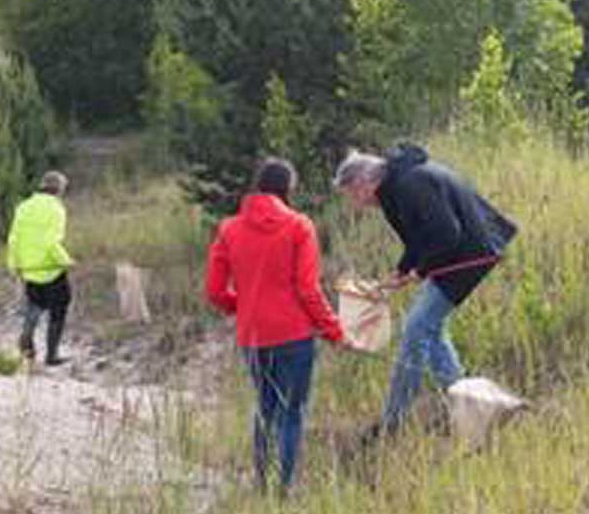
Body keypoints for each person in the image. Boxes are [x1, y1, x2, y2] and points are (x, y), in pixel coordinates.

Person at [333, 143, 517, 435]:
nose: (355, 203)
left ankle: (393, 422)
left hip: (472, 252)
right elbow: (421, 235)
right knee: (429, 329)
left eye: (352, 194)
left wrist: (420, 270)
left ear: (364, 182)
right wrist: (402, 269)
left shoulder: (410, 184)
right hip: (464, 251)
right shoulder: (397, 186)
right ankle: (473, 404)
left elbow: (446, 233)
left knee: (416, 328)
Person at [205, 158, 346, 493]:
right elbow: (308, 289)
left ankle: (261, 482)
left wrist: (242, 307)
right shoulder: (299, 226)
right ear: (288, 189)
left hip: (253, 336)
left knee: (266, 407)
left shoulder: (229, 228)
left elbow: (213, 291)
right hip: (294, 335)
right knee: (292, 412)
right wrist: (334, 331)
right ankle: (286, 487)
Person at [7, 171, 74, 366]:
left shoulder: (23, 207)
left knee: (35, 304)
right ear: (59, 189)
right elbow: (51, 241)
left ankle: (26, 339)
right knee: (59, 308)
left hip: (29, 268)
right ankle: (51, 355)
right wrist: (66, 260)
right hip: (50, 267)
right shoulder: (56, 209)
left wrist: (14, 264)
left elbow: (13, 238)